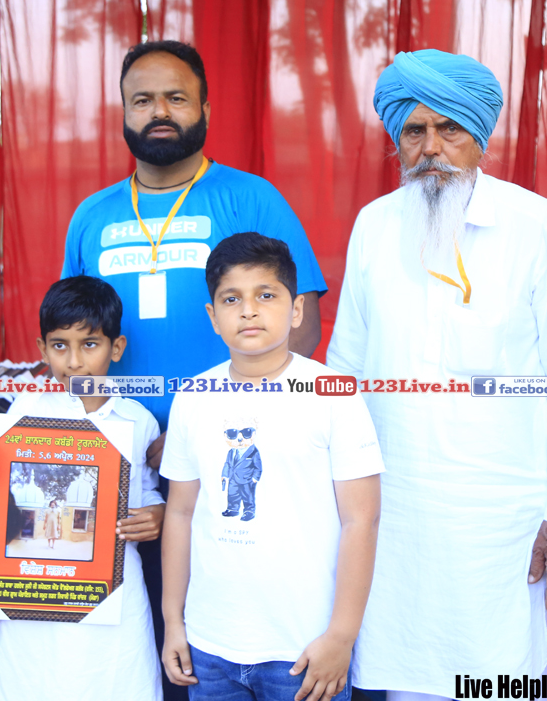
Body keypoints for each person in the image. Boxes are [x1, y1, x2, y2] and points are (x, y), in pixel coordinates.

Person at [60, 40, 328, 700]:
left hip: (225, 465)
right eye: (142, 99)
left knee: (223, 650)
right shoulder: (91, 216)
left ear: (204, 108)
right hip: (122, 470)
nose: (159, 111)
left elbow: (300, 326)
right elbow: (73, 338)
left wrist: (202, 438)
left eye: (176, 98)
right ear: (123, 112)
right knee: (137, 651)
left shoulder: (251, 199)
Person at [325, 50, 547, 699]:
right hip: (396, 513)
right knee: (405, 680)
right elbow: (345, 369)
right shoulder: (374, 224)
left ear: (479, 136)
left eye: (449, 129)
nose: (431, 148)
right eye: (414, 131)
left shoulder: (536, 225)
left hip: (505, 521)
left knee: (501, 680)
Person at [159, 233, 383, 701]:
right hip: (209, 648)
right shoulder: (193, 397)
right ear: (212, 316)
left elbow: (361, 520)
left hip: (303, 651)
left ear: (296, 309)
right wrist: (174, 622)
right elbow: (179, 514)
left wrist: (341, 637)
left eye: (266, 295)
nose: (249, 311)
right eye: (231, 299)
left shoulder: (334, 395)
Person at [0, 275, 166, 701]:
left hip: (113, 599)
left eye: (90, 344)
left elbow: (147, 492)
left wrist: (156, 514)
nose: (74, 362)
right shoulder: (25, 411)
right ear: (42, 349)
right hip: (31, 597)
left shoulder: (137, 420)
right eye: (60, 345)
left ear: (116, 347)